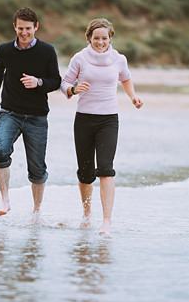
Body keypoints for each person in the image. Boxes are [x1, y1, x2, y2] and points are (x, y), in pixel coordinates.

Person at [61, 17, 143, 234]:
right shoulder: (79, 58)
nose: (100, 42)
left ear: (110, 38)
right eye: (96, 38)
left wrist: (133, 96)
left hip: (108, 120)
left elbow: (125, 79)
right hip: (84, 119)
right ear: (89, 38)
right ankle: (87, 214)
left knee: (106, 169)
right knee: (86, 173)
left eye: (104, 38)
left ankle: (107, 221)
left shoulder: (118, 59)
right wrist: (73, 89)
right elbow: (65, 83)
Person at [0, 7, 61, 217]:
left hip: (37, 117)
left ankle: (36, 210)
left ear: (36, 27)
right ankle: (5, 201)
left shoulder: (47, 51)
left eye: (28, 28)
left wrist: (39, 82)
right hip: (10, 112)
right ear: (14, 27)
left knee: (36, 168)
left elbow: (56, 81)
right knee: (0, 150)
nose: (24, 33)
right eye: (20, 28)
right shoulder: (5, 50)